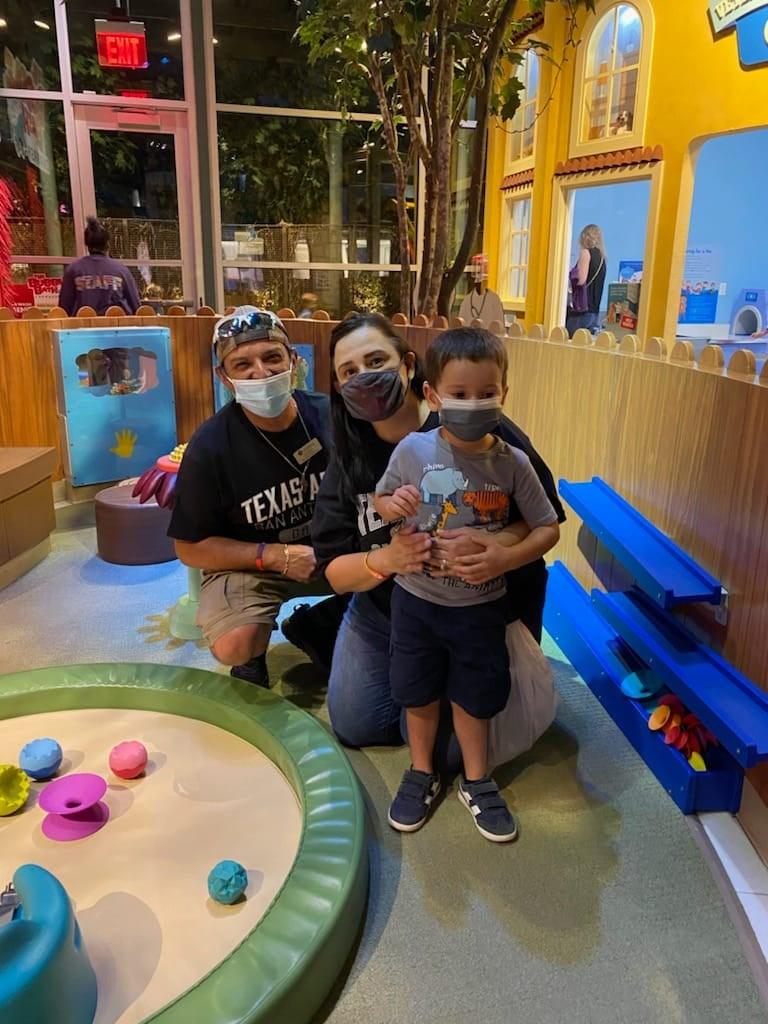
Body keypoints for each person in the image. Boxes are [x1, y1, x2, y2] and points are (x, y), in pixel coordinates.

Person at [310, 312, 566, 762]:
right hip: (389, 608)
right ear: (338, 385)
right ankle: (374, 656)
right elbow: (332, 569)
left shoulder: (478, 430)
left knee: (455, 750)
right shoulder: (349, 457)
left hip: (477, 606)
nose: (365, 378)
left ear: (409, 366)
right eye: (349, 371)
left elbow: (544, 517)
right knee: (356, 723)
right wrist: (387, 560)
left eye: (376, 361)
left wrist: (498, 546)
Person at [373, 329, 560, 841]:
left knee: (476, 696)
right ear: (432, 396)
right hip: (416, 603)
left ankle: (477, 779)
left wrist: (505, 556)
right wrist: (392, 505)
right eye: (459, 393)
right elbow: (381, 500)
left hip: (480, 610)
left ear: (504, 393)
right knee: (417, 692)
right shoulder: (412, 450)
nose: (473, 403)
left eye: (486, 392)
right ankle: (421, 771)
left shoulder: (512, 462)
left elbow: (547, 527)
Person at [168, 307, 344, 687]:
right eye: (242, 364)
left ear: (293, 361)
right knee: (235, 644)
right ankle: (252, 656)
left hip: (334, 549)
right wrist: (273, 556)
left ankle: (321, 623)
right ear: (224, 377)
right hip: (256, 564)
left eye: (272, 357)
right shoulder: (210, 446)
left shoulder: (330, 416)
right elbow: (189, 547)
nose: (260, 373)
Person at [58, 217, 141, 316]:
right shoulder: (121, 270)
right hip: (116, 324)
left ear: (87, 244)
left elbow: (64, 309)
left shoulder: (73, 269)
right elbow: (136, 306)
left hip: (83, 325)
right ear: (107, 244)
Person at [565, 224, 606, 337]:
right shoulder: (602, 258)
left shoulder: (585, 253)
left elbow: (581, 280)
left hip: (581, 311)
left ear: (585, 237)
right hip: (594, 312)